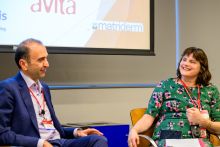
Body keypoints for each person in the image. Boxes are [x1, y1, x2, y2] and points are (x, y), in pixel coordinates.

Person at [0, 38, 108, 147]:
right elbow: (2, 133)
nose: (47, 64)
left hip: (59, 142)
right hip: (36, 144)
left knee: (98, 140)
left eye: (46, 58)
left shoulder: (44, 88)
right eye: (41, 60)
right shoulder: (9, 88)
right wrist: (40, 143)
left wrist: (77, 132)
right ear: (24, 64)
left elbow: (53, 129)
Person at [128, 47, 220, 147]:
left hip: (198, 141)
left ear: (202, 68)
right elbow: (149, 116)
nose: (185, 64)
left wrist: (205, 123)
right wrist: (134, 130)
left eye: (192, 61)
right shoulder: (165, 85)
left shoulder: (211, 90)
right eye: (184, 60)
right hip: (169, 138)